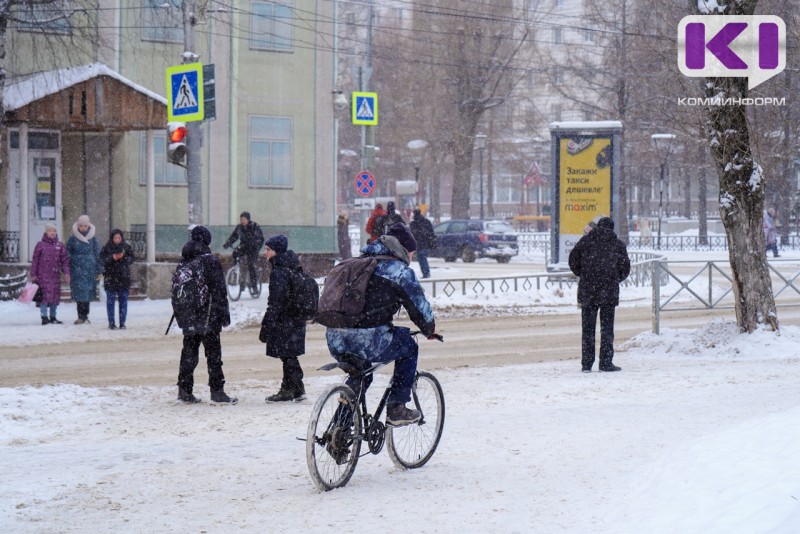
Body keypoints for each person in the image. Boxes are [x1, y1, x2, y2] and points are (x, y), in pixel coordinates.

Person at [325, 222, 438, 426]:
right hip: (369, 340)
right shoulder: (399, 272)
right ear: (403, 249)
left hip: (336, 338)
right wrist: (429, 329)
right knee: (409, 347)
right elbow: (419, 308)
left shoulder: (358, 263)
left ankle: (338, 431)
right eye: (411, 253)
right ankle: (397, 407)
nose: (411, 258)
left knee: (361, 374)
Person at [176, 225, 237, 404]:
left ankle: (184, 391)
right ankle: (217, 392)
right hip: (208, 314)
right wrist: (224, 315)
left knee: (189, 353)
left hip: (189, 314)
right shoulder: (210, 260)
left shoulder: (184, 259)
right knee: (213, 355)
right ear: (207, 241)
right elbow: (219, 290)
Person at [568, 217, 630, 373]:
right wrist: (614, 278)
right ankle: (606, 363)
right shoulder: (617, 245)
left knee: (588, 329)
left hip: (588, 290)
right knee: (607, 329)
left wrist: (583, 274)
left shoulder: (585, 241)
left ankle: (586, 364)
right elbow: (625, 268)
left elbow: (573, 260)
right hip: (609, 292)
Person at [260, 235, 309, 402]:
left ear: (276, 251)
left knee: (287, 355)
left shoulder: (279, 271)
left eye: (268, 249)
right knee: (288, 354)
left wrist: (268, 323)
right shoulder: (291, 265)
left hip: (285, 319)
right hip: (294, 318)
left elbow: (276, 301)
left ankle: (293, 389)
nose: (265, 252)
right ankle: (293, 389)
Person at [30, 224, 70, 325]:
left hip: (55, 276)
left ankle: (53, 317)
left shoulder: (60, 246)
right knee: (44, 297)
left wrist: (67, 273)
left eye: (54, 231)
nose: (52, 233)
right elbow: (35, 261)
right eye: (50, 231)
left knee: (54, 297)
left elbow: (64, 261)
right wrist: (33, 274)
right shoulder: (40, 245)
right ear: (46, 233)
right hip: (42, 275)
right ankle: (44, 317)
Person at [66, 214, 101, 325]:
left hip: (90, 269)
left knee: (87, 294)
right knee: (79, 294)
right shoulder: (72, 239)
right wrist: (69, 266)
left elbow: (98, 254)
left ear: (88, 225)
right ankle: (80, 316)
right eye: (81, 226)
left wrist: (99, 270)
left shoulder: (93, 239)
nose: (83, 228)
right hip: (77, 269)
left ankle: (85, 316)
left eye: (85, 226)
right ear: (78, 226)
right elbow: (67, 253)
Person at [99, 229, 135, 330]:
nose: (117, 240)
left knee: (123, 302)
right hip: (110, 278)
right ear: (112, 238)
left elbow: (132, 259)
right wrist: (112, 258)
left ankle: (122, 323)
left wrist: (123, 258)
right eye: (115, 238)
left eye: (119, 238)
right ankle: (111, 323)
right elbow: (102, 260)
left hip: (123, 278)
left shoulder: (126, 247)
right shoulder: (107, 248)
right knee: (110, 301)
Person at [222, 211, 265, 292]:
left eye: (244, 219)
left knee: (251, 264)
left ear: (248, 219)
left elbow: (260, 238)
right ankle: (237, 270)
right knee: (235, 253)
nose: (242, 221)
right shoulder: (239, 227)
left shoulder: (254, 226)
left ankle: (254, 285)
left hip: (253, 248)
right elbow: (234, 236)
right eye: (241, 219)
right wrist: (227, 244)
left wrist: (256, 246)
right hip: (244, 246)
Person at [409, 208, 435, 279]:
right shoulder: (426, 221)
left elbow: (412, 233)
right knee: (423, 257)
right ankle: (426, 272)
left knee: (421, 258)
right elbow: (431, 232)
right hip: (425, 242)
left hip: (418, 242)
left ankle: (426, 272)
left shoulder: (414, 223)